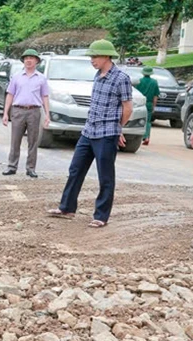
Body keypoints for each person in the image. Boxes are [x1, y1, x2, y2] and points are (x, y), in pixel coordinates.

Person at [47, 39, 132, 228]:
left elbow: (127, 108)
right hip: (88, 131)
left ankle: (101, 216)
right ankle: (67, 208)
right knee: (75, 169)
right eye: (91, 56)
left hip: (106, 133)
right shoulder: (97, 75)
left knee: (105, 176)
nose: (92, 60)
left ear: (106, 56)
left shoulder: (121, 78)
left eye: (95, 56)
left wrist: (117, 128)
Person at [2, 49, 50, 178]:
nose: (28, 60)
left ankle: (31, 168)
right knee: (15, 139)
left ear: (36, 61)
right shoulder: (17, 77)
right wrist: (5, 113)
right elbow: (10, 95)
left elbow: (45, 96)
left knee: (33, 141)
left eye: (31, 58)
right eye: (26, 58)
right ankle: (12, 166)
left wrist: (47, 115)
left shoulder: (41, 78)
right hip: (18, 110)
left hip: (34, 111)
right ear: (23, 61)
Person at [135, 66, 159, 145]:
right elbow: (155, 96)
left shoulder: (139, 81)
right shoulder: (154, 82)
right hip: (149, 103)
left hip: (140, 103)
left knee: (138, 120)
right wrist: (154, 106)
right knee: (148, 121)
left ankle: (138, 137)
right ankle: (147, 137)